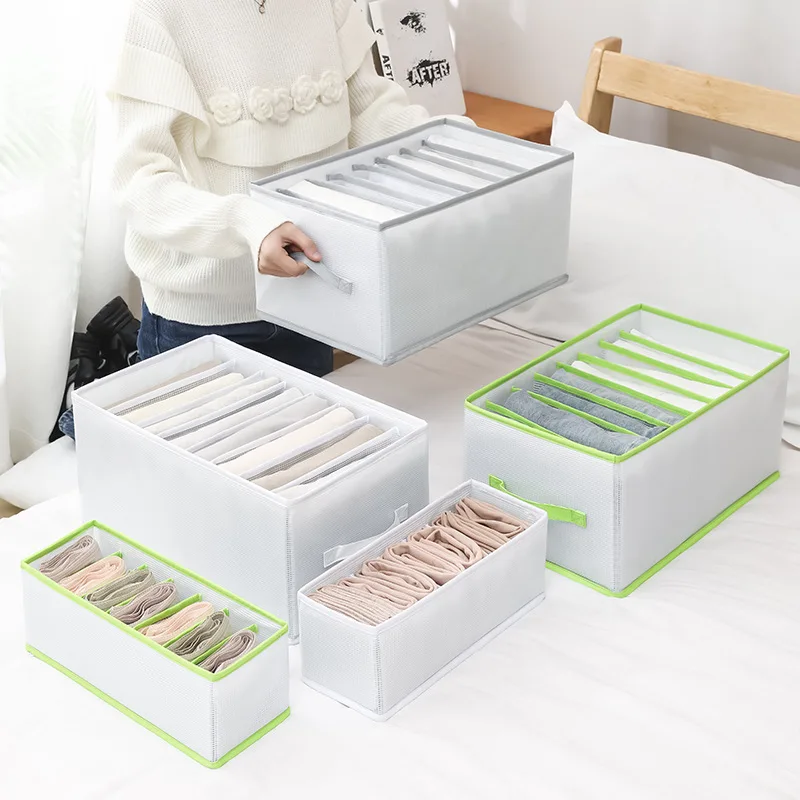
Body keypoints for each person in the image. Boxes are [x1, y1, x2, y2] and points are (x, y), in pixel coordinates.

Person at [111, 0, 429, 376]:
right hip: (204, 320)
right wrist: (246, 222)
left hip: (314, 294)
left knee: (319, 417)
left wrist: (453, 146)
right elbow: (139, 182)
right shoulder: (157, 12)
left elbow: (370, 112)